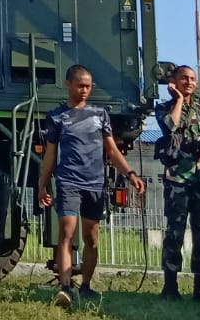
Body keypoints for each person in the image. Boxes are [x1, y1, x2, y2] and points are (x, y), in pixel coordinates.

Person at [36, 63, 146, 308]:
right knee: (66, 232)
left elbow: (112, 150)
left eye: (88, 86)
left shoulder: (99, 115)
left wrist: (130, 174)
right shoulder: (57, 116)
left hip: (95, 183)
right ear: (68, 84)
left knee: (92, 238)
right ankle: (65, 288)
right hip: (68, 181)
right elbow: (50, 155)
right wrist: (42, 185)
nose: (85, 90)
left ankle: (85, 286)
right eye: (80, 85)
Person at [154, 63, 200, 301]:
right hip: (177, 180)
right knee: (175, 233)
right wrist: (179, 99)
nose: (190, 82)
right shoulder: (164, 107)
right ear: (174, 81)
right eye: (184, 78)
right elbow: (170, 126)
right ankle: (170, 287)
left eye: (192, 79)